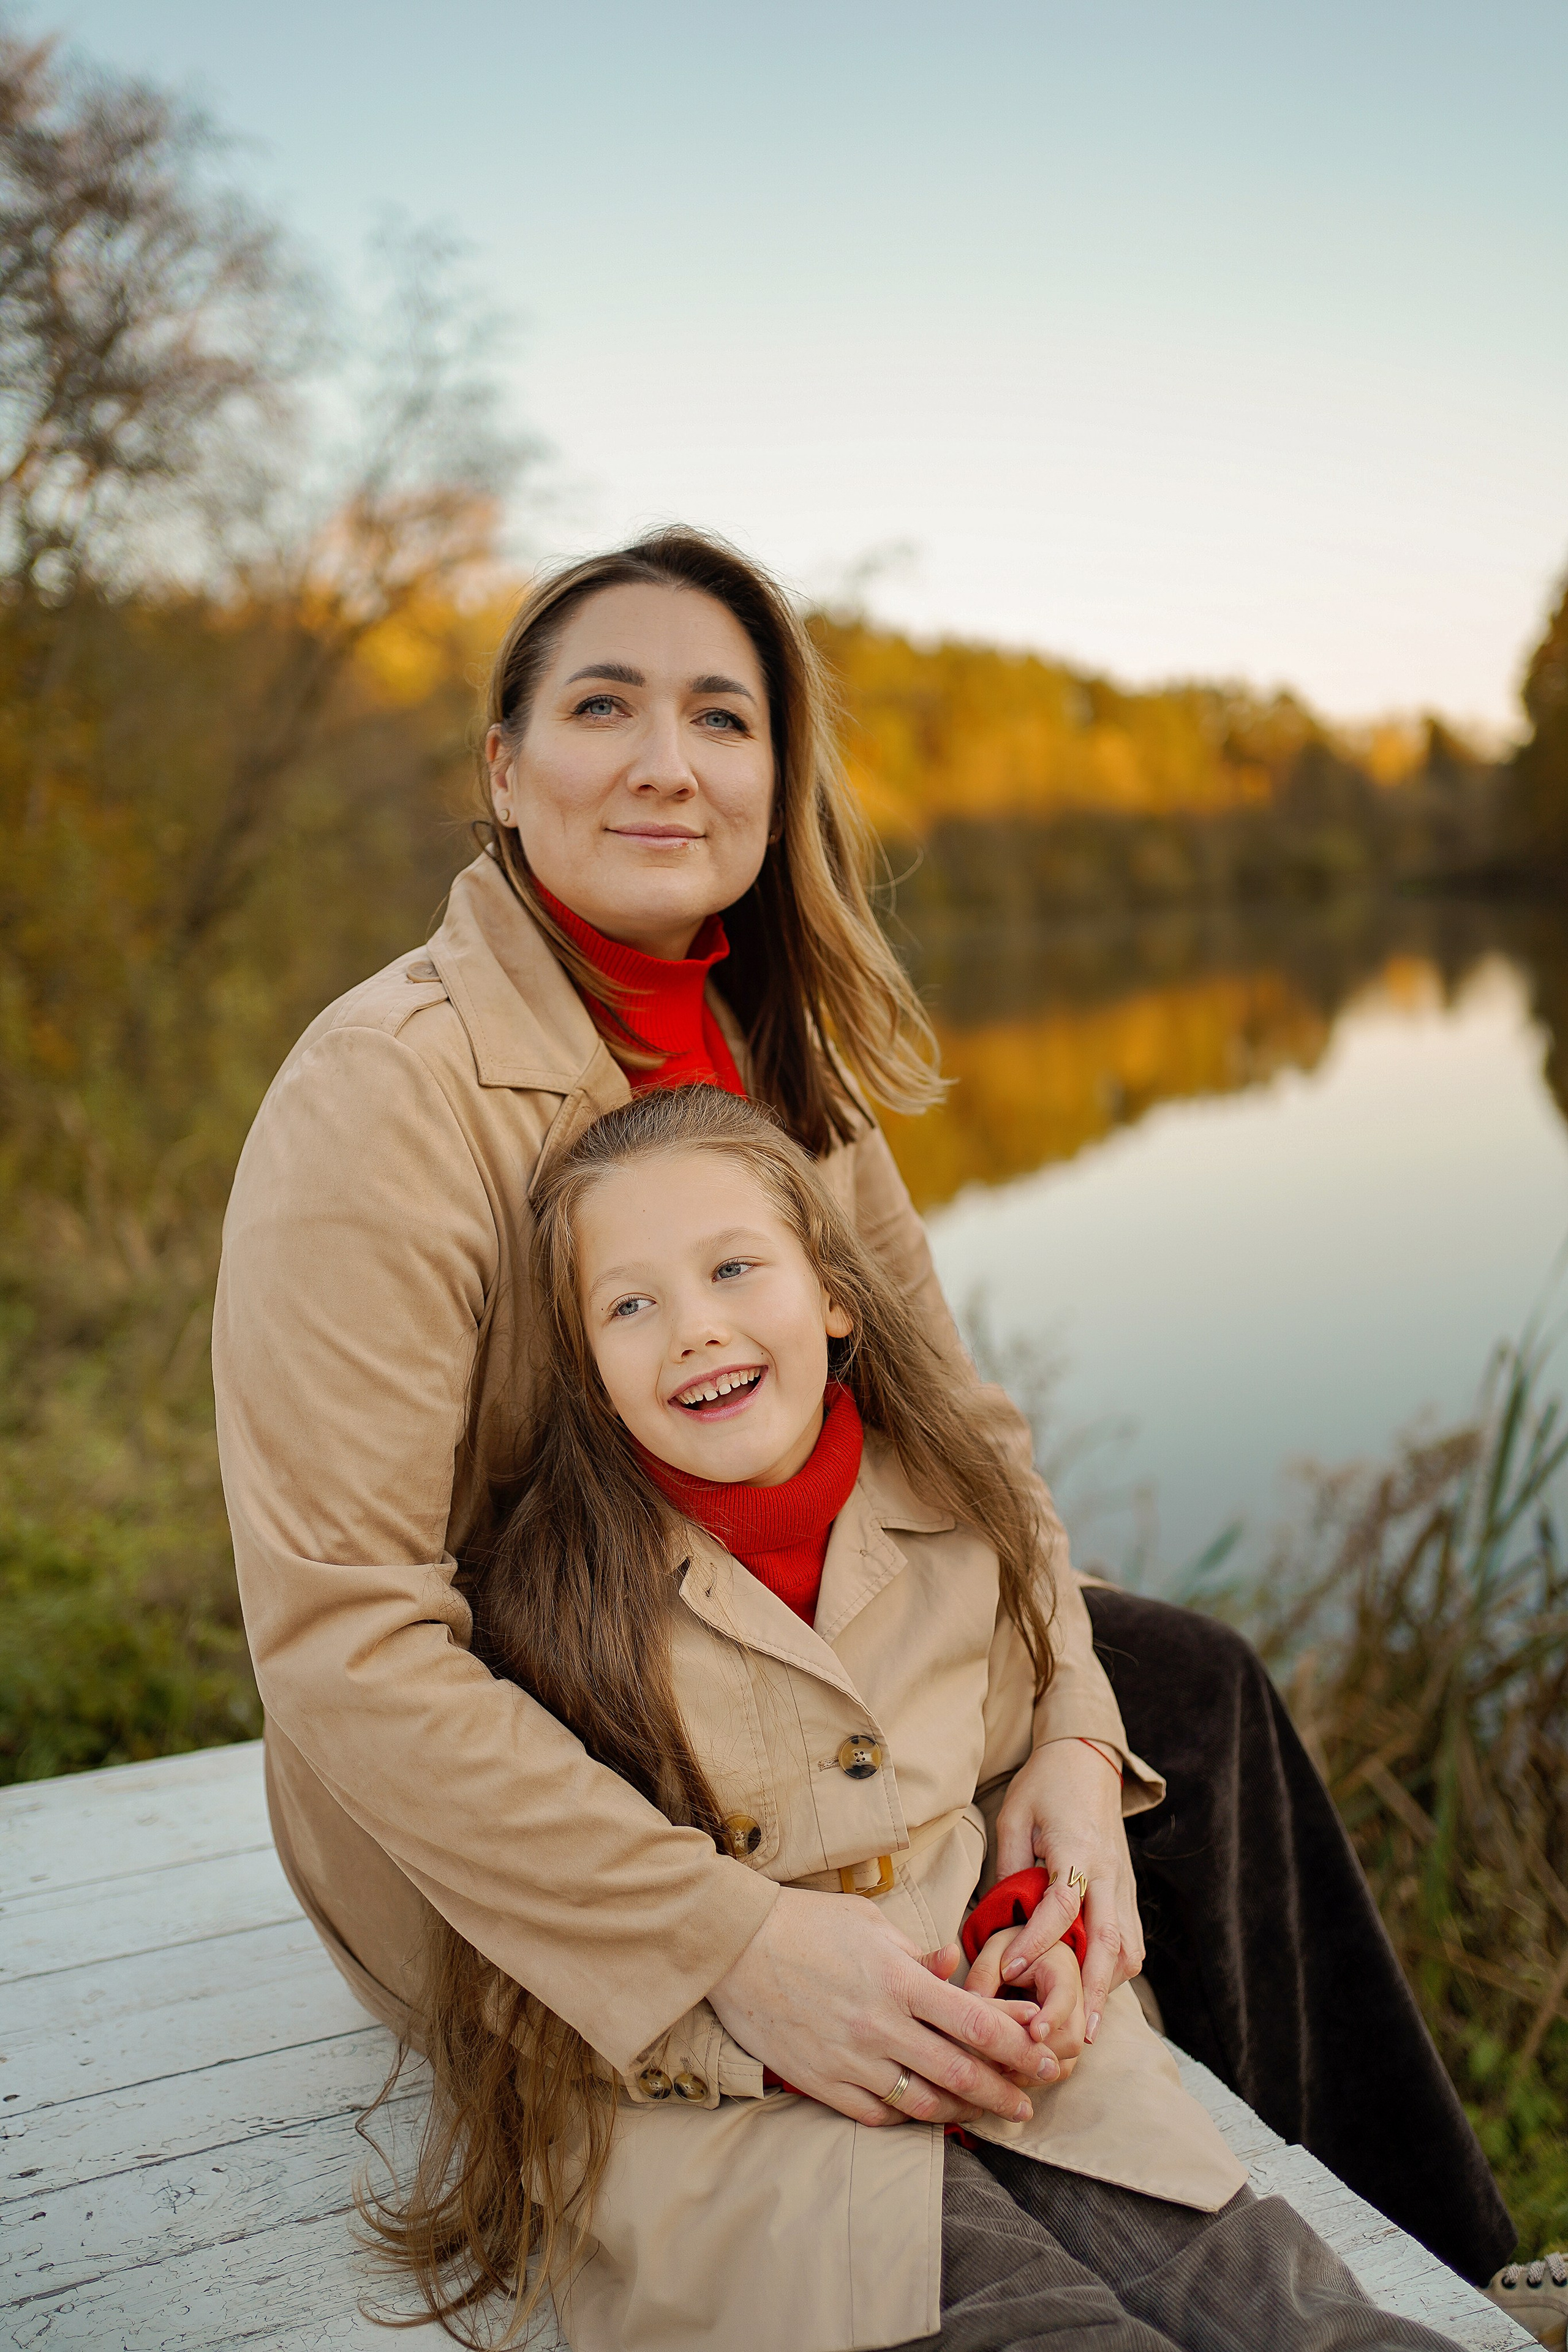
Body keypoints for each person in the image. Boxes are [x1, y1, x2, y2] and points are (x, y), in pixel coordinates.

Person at [211, 527, 1510, 2313]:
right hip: (559, 1755)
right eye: (606, 705)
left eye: (723, 718)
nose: (670, 759)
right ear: (505, 772)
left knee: (1186, 1698)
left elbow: (972, 1444)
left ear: (775, 782)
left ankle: (1447, 2265)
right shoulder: (384, 1098)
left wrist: (1064, 1742)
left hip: (796, 1673)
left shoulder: (782, 1076)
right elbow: (344, 1642)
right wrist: (730, 1943)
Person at [364, 1082, 1469, 2352]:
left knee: (1299, 2317)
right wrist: (760, 2048)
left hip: (1016, 2072)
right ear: (585, 1369)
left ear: (832, 1295)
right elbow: (525, 1965)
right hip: (745, 2138)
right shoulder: (552, 1611)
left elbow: (994, 1793)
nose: (693, 1331)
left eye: (733, 1268)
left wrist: (1033, 1936)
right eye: (630, 1305)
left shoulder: (950, 1518)